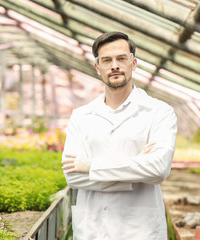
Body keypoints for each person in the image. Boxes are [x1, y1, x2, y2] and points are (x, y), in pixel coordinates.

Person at [61, 31, 177, 240]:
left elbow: (158, 170)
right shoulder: (82, 116)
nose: (114, 65)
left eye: (121, 58)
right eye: (107, 60)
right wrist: (137, 167)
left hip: (141, 231)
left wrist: (91, 166)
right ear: (98, 68)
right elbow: (73, 176)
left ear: (133, 63)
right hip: (93, 230)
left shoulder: (159, 112)